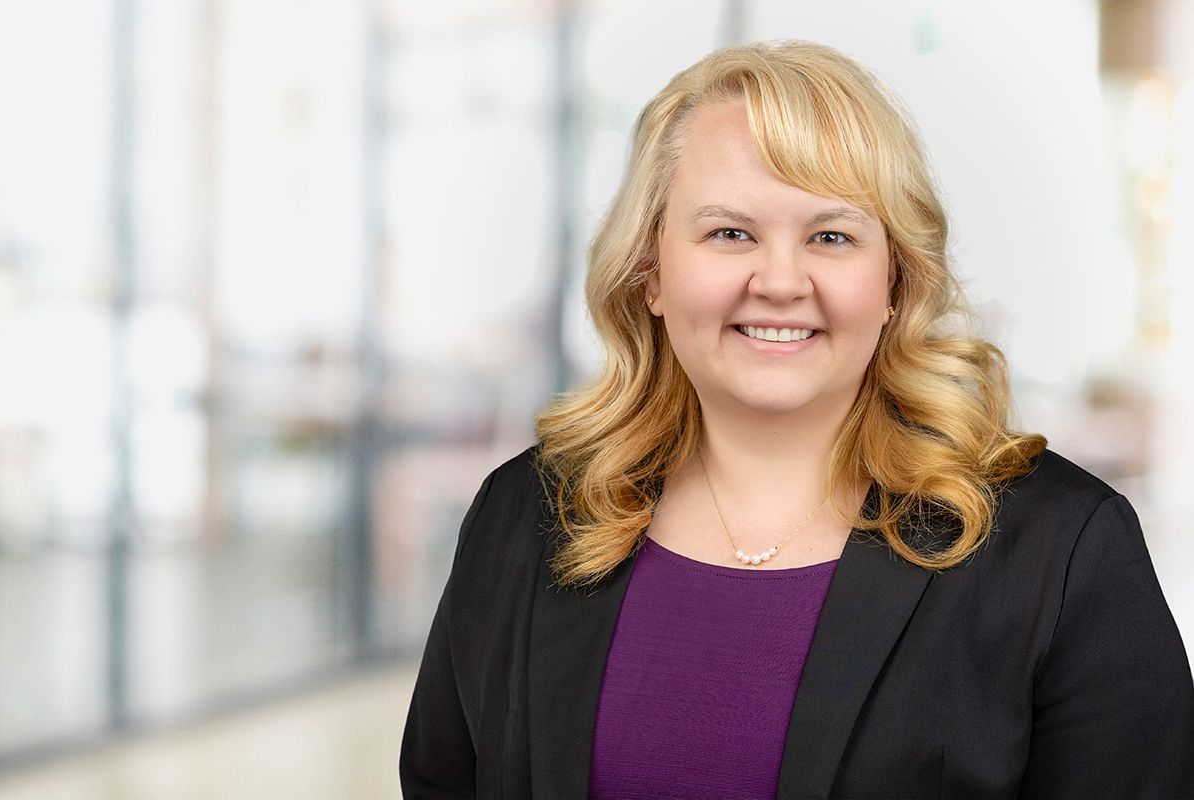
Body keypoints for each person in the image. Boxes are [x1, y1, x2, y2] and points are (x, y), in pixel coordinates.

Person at [400, 40, 1194, 799]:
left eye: (831, 236)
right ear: (650, 272)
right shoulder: (524, 517)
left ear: (895, 281)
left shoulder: (1061, 550)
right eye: (730, 232)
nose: (780, 281)